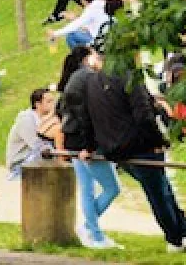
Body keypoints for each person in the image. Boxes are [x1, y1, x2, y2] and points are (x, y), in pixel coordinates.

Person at [76, 49, 186, 252]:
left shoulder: (92, 81)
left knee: (161, 189)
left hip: (115, 148)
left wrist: (89, 145)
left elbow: (87, 117)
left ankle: (185, 231)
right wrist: (157, 140)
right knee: (159, 192)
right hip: (138, 145)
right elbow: (144, 115)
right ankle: (176, 237)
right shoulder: (129, 77)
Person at [61, 47, 122, 249]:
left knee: (87, 189)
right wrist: (89, 145)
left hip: (74, 140)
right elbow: (87, 116)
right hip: (83, 142)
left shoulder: (76, 79)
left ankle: (93, 231)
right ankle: (91, 230)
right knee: (111, 188)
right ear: (88, 59)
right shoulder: (88, 78)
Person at [5, 88, 60, 180]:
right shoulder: (26, 119)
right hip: (20, 163)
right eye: (49, 101)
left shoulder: (47, 118)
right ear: (38, 104)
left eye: (53, 101)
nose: (53, 105)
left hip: (36, 159)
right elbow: (37, 145)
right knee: (45, 148)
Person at [49, 0, 113, 49]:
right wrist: (75, 18)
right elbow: (88, 24)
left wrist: (55, 33)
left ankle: (80, 56)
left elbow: (75, 26)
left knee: (71, 35)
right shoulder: (102, 4)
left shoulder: (91, 9)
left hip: (101, 41)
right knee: (81, 31)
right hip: (110, 39)